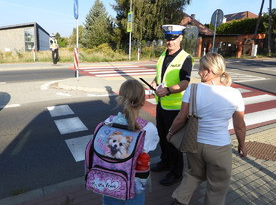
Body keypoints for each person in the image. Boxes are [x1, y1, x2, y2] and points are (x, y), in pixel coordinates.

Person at [167, 52, 247, 205]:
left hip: (194, 144)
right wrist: (242, 145)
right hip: (219, 147)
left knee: (193, 175)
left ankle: (179, 200)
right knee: (217, 186)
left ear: (209, 71)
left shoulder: (193, 89)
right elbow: (240, 126)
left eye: (201, 69)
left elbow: (180, 118)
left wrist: (170, 133)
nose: (198, 72)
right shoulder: (235, 94)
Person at [103, 79, 159, 205]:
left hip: (110, 181)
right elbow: (150, 147)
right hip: (134, 184)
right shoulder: (149, 129)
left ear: (121, 98)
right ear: (143, 101)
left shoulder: (108, 122)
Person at [150, 24, 194, 186]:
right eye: (168, 38)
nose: (170, 42)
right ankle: (165, 162)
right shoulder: (163, 55)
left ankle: (176, 172)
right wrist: (154, 83)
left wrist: (168, 90)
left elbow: (185, 82)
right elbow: (159, 75)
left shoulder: (185, 58)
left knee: (174, 141)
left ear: (181, 37)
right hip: (161, 104)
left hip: (176, 108)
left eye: (173, 38)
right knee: (163, 137)